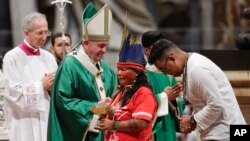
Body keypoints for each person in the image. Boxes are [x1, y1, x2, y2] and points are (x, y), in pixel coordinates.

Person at [148, 39, 246, 141]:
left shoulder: (197, 68)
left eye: (163, 69)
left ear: (172, 59)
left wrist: (192, 120)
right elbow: (203, 103)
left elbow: (216, 105)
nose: (166, 73)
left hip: (226, 133)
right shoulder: (190, 66)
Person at [47, 2, 117, 141]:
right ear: (86, 43)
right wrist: (95, 108)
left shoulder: (105, 67)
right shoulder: (70, 65)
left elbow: (115, 94)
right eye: (100, 46)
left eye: (106, 46)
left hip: (105, 132)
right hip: (82, 135)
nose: (104, 51)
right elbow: (64, 102)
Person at [3, 12, 58, 141]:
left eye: (46, 32)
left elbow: (56, 91)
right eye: (40, 33)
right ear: (26, 32)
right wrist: (40, 86)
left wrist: (52, 88)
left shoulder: (49, 58)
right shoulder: (12, 58)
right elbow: (12, 93)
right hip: (23, 123)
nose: (44, 37)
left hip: (45, 119)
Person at [98, 34, 158, 141]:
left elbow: (141, 123)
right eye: (118, 69)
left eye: (124, 69)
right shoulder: (121, 93)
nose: (119, 73)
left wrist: (113, 125)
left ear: (137, 73)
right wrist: (107, 110)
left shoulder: (144, 93)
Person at [141, 31, 184, 141]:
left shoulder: (169, 74)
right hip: (153, 129)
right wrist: (164, 96)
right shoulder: (140, 74)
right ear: (146, 51)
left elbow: (179, 102)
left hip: (168, 126)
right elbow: (138, 103)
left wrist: (175, 100)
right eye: (156, 48)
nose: (161, 51)